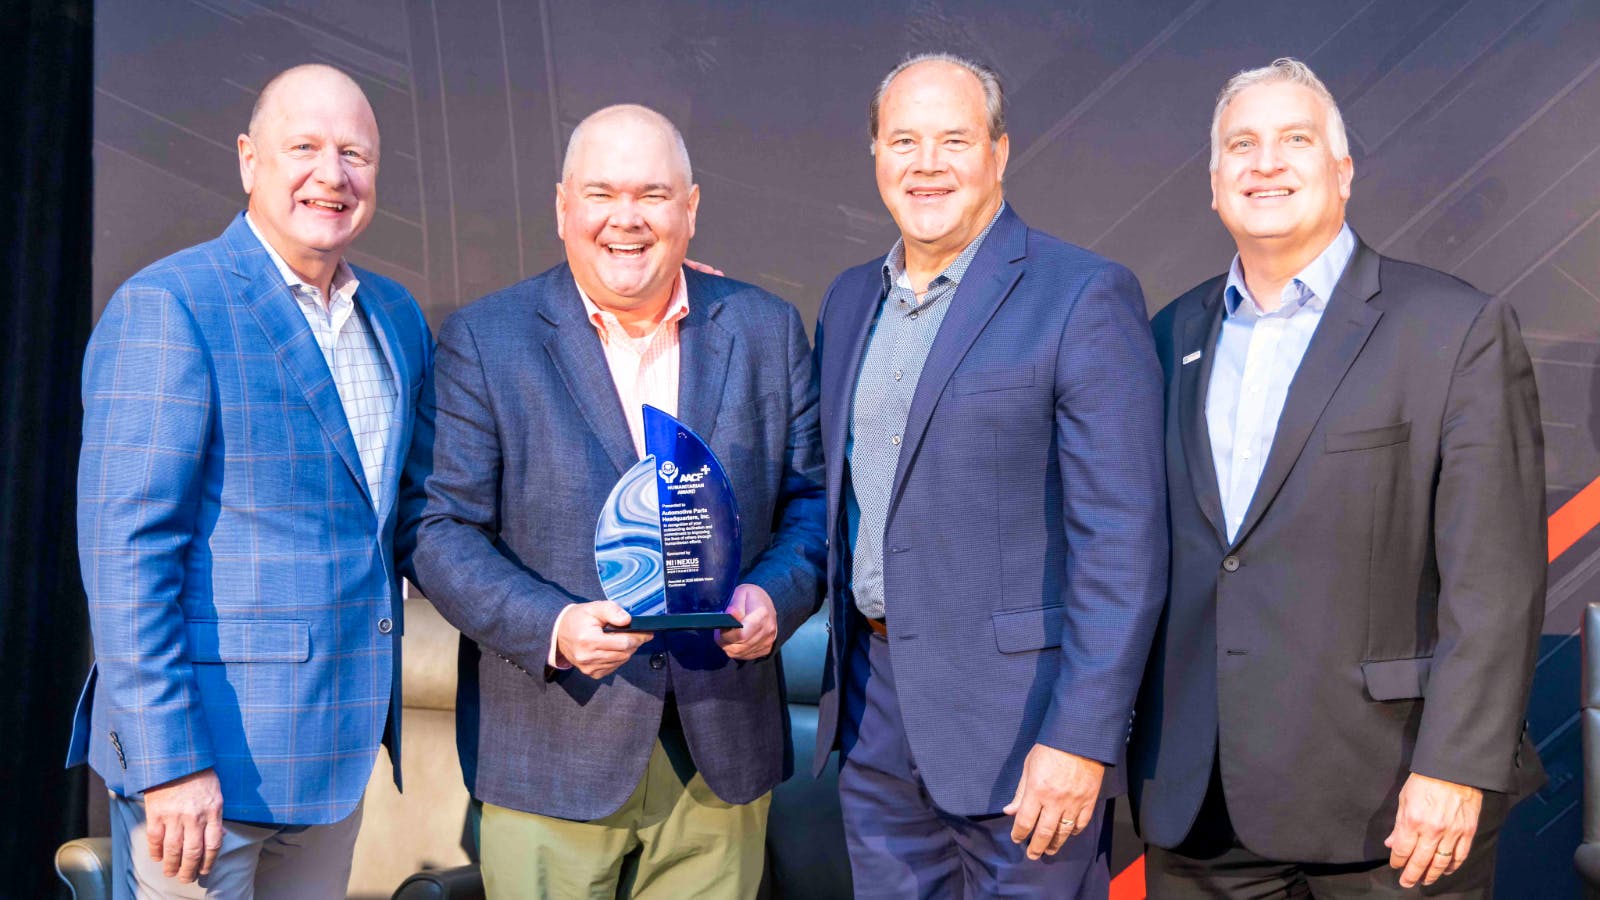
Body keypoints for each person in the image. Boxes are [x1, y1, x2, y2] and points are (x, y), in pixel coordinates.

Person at [1129, 58, 1547, 897]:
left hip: (1391, 806)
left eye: (1295, 140)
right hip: (1199, 808)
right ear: (1214, 185)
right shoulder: (1166, 333)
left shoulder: (1452, 329)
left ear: (1344, 171)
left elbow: (1495, 581)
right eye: (1241, 145)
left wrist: (1456, 769)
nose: (1266, 162)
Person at [399, 104, 825, 899]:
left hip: (719, 756)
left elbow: (812, 506)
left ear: (690, 209)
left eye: (653, 195)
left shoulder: (766, 330)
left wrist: (776, 596)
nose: (625, 219)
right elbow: (436, 529)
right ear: (563, 207)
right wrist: (552, 626)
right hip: (551, 751)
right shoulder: (486, 342)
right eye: (601, 193)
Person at [69, 64, 432, 898]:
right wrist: (168, 766)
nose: (331, 175)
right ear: (247, 160)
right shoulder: (170, 306)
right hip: (203, 775)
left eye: (355, 153)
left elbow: (412, 518)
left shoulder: (397, 319)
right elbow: (126, 557)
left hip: (334, 761)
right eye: (303, 147)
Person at [810, 53, 1168, 898]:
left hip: (1025, 730)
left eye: (953, 140)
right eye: (903, 139)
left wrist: (1081, 739)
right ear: (874, 155)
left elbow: (1122, 543)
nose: (926, 163)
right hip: (875, 716)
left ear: (999, 154)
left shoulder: (1081, 295)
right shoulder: (849, 300)